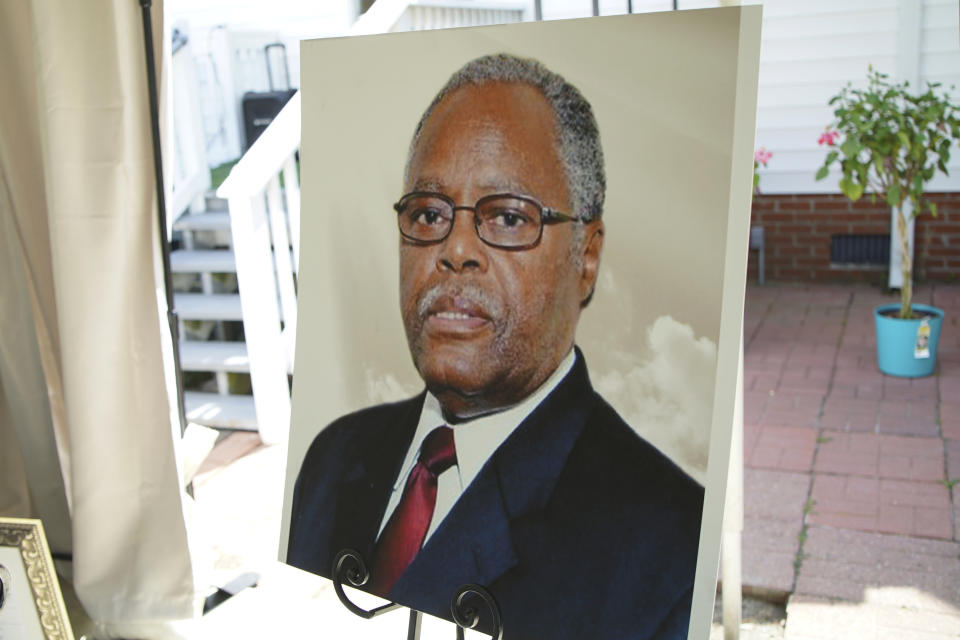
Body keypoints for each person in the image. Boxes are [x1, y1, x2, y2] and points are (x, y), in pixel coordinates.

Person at [287, 53, 704, 639]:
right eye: (429, 213)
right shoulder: (332, 461)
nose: (456, 249)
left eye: (508, 218)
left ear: (585, 256)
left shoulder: (671, 552)